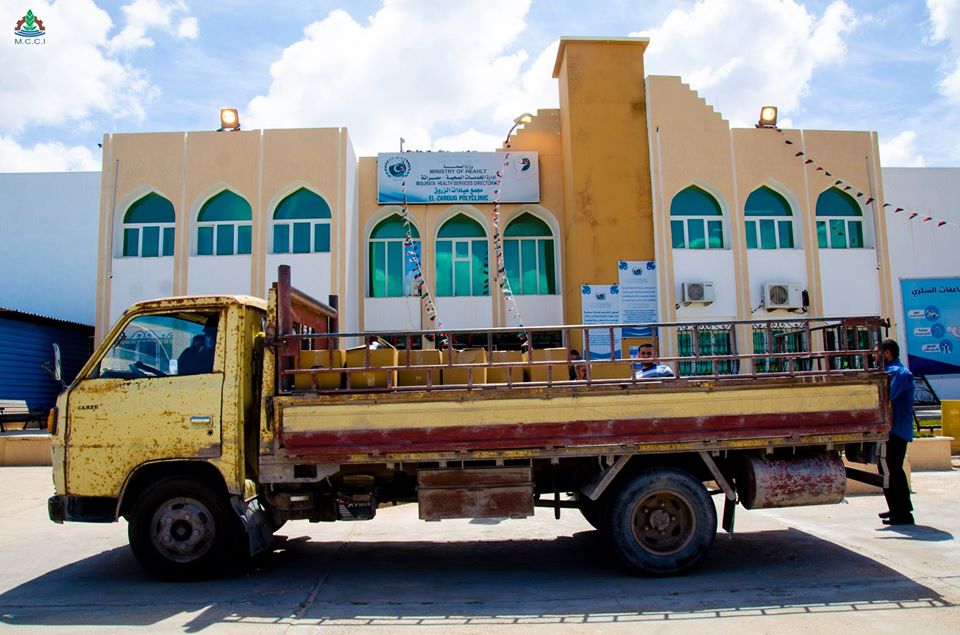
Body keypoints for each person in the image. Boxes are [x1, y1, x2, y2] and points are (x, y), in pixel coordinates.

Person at [877, 338, 915, 526]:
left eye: (878, 353)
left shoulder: (899, 373)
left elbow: (886, 397)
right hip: (890, 429)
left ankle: (903, 513)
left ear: (887, 353)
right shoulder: (889, 371)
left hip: (897, 429)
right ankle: (896, 508)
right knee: (887, 470)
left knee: (893, 470)